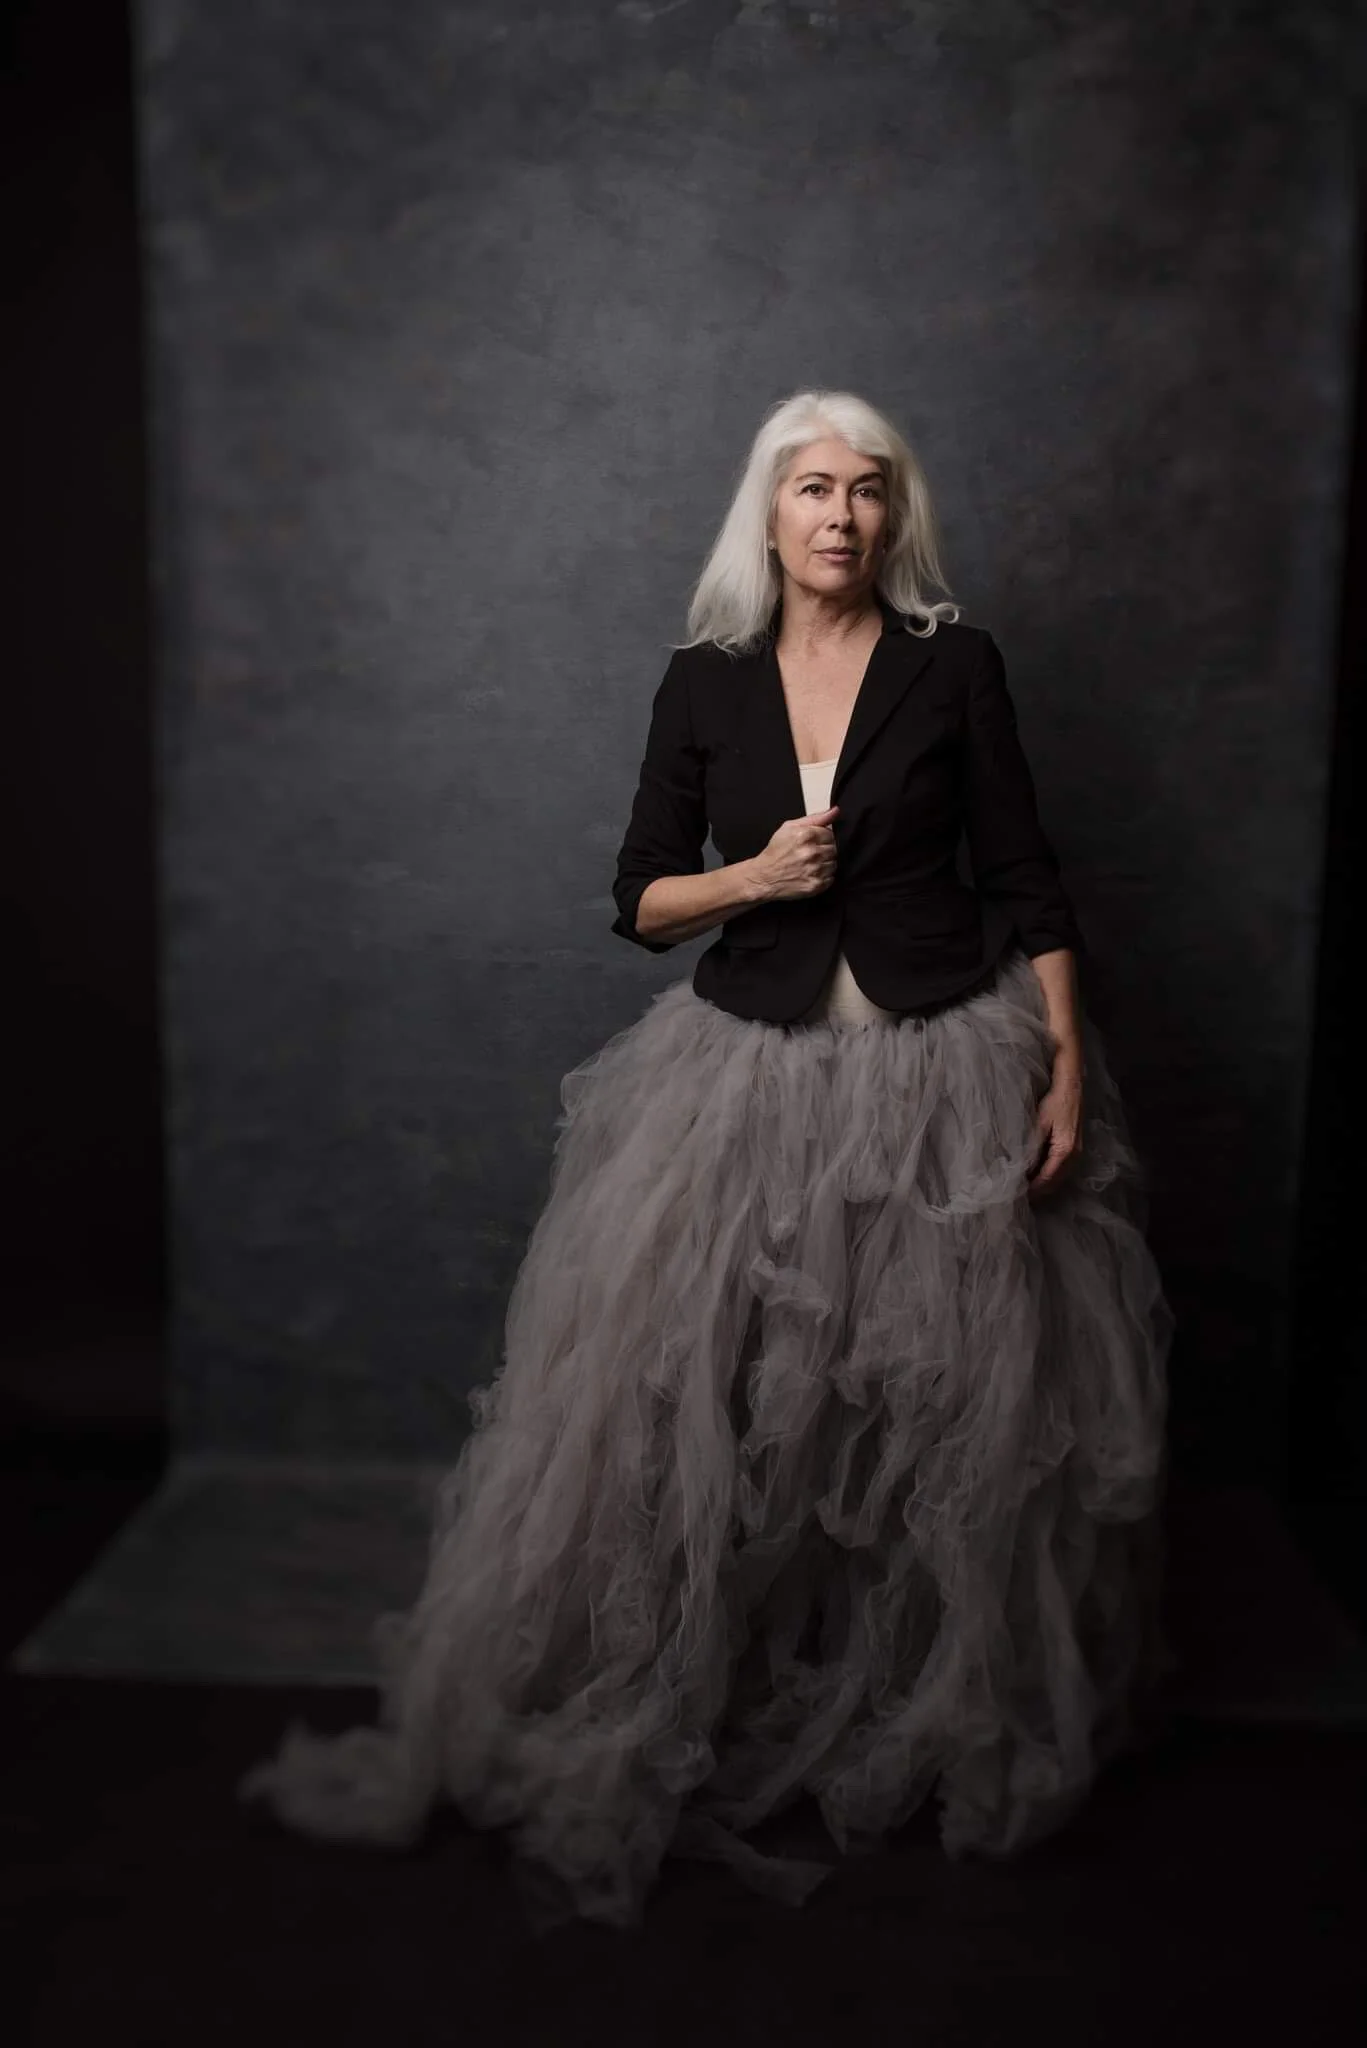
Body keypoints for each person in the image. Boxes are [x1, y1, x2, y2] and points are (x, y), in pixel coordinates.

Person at [239, 388, 1176, 1934]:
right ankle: (719, 1698)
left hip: (941, 1061)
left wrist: (1066, 1056)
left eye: (870, 492)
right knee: (709, 1405)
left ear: (895, 517)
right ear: (769, 511)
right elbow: (639, 897)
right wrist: (752, 872)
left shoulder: (955, 665)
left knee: (934, 1417)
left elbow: (1024, 871)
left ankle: (912, 1723)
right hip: (745, 1072)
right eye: (813, 487)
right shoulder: (704, 682)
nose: (842, 515)